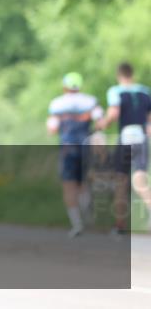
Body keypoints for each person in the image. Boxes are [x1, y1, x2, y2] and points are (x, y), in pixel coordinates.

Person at [96, 62, 151, 234]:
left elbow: (113, 114)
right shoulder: (145, 91)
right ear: (132, 74)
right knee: (140, 179)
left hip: (126, 137)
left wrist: (102, 123)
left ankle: (120, 225)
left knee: (121, 180)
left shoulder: (115, 91)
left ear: (119, 75)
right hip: (141, 137)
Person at [46, 72, 103, 237]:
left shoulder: (57, 104)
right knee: (84, 182)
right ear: (80, 86)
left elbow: (52, 128)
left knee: (69, 185)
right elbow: (100, 122)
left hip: (67, 148)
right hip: (86, 147)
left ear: (64, 87)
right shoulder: (90, 101)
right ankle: (87, 212)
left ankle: (77, 223)